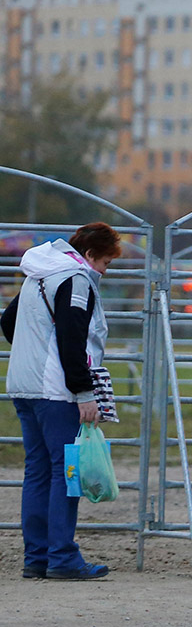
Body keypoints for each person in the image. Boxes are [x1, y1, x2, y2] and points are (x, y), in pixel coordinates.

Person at [1, 222, 122, 580]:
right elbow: (73, 340)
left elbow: (8, 322)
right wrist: (84, 393)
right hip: (57, 391)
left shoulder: (38, 275)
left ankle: (36, 556)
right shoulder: (76, 280)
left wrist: (33, 350)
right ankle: (63, 557)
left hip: (24, 386)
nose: (104, 271)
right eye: (105, 263)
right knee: (65, 472)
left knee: (37, 471)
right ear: (89, 256)